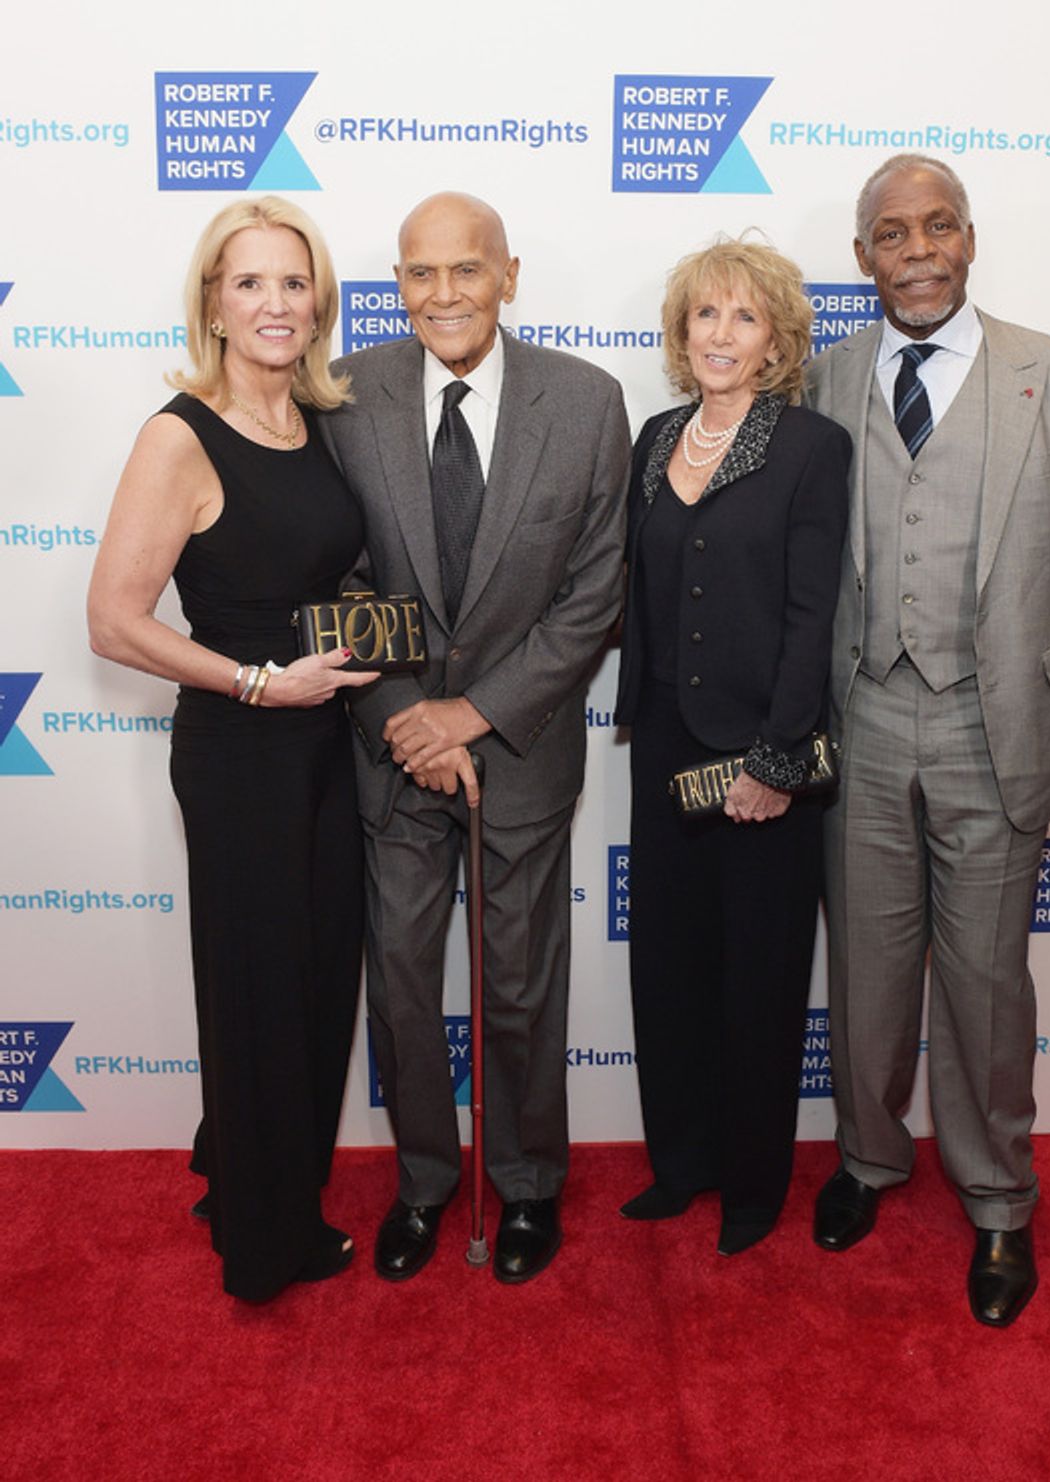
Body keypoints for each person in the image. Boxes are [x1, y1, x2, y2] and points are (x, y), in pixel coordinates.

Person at [806, 155, 1050, 1325]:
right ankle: (870, 1160)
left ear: (972, 240)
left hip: (1005, 727)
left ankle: (997, 1198)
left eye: (939, 226)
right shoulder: (825, 378)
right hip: (864, 720)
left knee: (989, 982)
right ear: (863, 259)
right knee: (871, 977)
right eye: (893, 233)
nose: (919, 249)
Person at [323, 192, 629, 1284]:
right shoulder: (346, 393)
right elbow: (337, 577)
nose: (441, 294)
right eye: (419, 273)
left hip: (522, 750)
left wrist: (477, 713)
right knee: (404, 979)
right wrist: (411, 717)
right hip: (392, 747)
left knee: (520, 984)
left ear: (510, 273)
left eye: (465, 269)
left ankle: (530, 1185)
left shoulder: (587, 401)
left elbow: (597, 592)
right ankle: (422, 1183)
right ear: (396, 283)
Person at [87, 196, 377, 1302]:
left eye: (293, 283)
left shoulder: (315, 423)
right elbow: (115, 619)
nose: (274, 303)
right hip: (241, 746)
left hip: (322, 742)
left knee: (311, 980)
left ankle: (251, 1172)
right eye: (249, 282)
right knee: (259, 990)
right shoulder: (181, 432)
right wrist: (260, 682)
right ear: (213, 301)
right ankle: (267, 1242)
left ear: (320, 303)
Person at [613, 238, 850, 1255]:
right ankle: (684, 1165)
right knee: (668, 966)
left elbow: (812, 615)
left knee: (758, 976)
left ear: (776, 339)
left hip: (763, 748)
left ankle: (753, 1187)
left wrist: (776, 762)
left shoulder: (809, 447)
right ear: (681, 333)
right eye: (705, 315)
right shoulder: (656, 435)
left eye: (744, 318)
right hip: (665, 741)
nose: (721, 334)